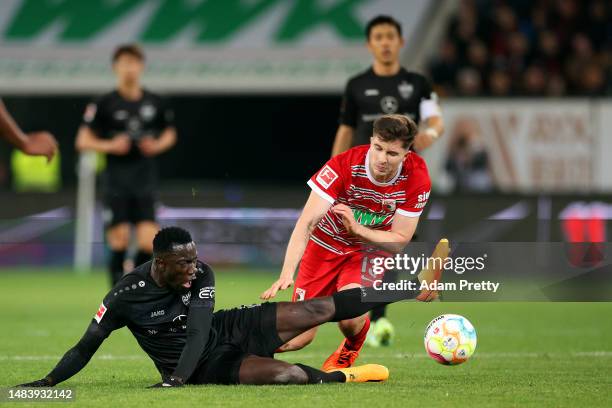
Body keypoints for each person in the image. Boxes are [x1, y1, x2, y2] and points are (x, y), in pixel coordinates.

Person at [15, 227, 443, 387]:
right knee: (290, 376)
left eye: (195, 259)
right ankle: (343, 377)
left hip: (224, 330)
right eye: (184, 262)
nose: (195, 267)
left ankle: (411, 287)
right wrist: (49, 381)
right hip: (204, 367)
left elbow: (202, 328)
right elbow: (86, 345)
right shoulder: (124, 295)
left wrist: (173, 383)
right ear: (160, 263)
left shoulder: (201, 274)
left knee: (317, 310)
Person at [261, 114, 434, 371]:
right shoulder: (343, 166)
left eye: (392, 153)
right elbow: (306, 223)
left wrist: (357, 230)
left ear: (406, 154)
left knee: (350, 318)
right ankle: (240, 351)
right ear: (371, 140)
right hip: (324, 246)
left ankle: (352, 346)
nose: (382, 159)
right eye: (378, 148)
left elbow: (398, 241)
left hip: (369, 251)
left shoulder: (417, 177)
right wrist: (287, 272)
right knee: (297, 339)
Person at [330, 15, 445, 346]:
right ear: (370, 44)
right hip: (360, 182)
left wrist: (430, 134)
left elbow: (437, 120)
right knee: (364, 247)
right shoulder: (355, 85)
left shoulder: (418, 83)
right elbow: (346, 131)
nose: (384, 42)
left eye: (390, 36)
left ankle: (377, 318)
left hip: (402, 181)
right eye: (378, 37)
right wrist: (332, 174)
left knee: (390, 245)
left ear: (400, 42)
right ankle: (371, 314)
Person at [75, 44, 176, 286]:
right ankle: (116, 297)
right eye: (124, 63)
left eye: (133, 63)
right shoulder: (104, 103)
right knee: (118, 240)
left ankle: (133, 287)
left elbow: (170, 133)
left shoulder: (156, 102)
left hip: (144, 180)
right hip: (116, 180)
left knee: (147, 242)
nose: (129, 68)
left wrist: (157, 145)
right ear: (115, 67)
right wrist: (110, 146)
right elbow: (82, 140)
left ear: (141, 67)